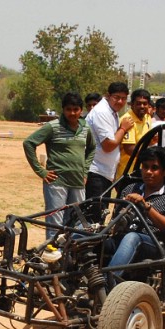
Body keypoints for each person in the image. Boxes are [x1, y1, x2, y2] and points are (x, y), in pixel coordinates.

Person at [22, 92, 96, 240]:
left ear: (81, 110)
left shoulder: (85, 128)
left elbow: (92, 148)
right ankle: (51, 257)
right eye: (69, 109)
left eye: (76, 109)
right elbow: (29, 143)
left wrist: (85, 171)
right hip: (56, 182)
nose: (72, 113)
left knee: (74, 223)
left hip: (78, 182)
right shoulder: (53, 127)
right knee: (54, 224)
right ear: (63, 109)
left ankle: (68, 258)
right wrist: (41, 171)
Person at [106, 146, 165, 271]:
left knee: (132, 237)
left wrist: (146, 207)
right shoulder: (130, 189)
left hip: (155, 245)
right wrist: (122, 213)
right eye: (145, 167)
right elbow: (115, 226)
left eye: (154, 168)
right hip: (123, 238)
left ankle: (109, 283)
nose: (148, 171)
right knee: (90, 236)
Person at [85, 82, 133, 215]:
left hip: (105, 173)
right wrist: (123, 128)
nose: (120, 101)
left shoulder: (112, 111)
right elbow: (109, 145)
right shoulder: (102, 112)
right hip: (96, 171)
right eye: (116, 97)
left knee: (100, 214)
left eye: (123, 98)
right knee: (92, 217)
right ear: (108, 95)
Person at [117, 88, 153, 175]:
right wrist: (150, 156)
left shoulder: (147, 117)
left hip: (143, 171)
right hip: (127, 173)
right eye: (138, 103)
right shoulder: (128, 120)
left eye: (145, 103)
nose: (142, 106)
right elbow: (129, 149)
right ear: (132, 104)